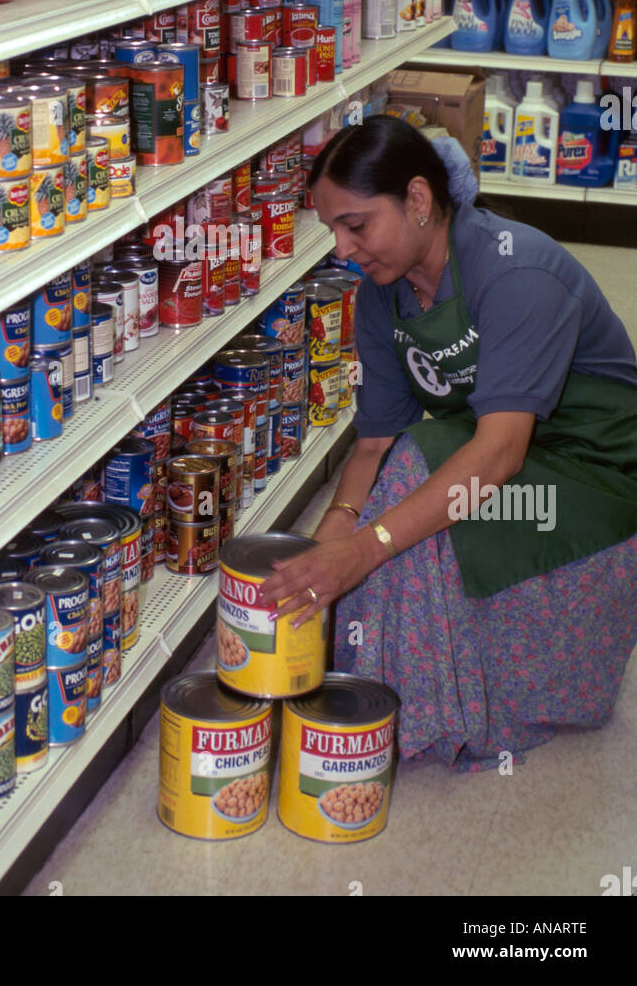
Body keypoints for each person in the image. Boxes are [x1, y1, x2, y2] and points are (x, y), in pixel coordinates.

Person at [261, 116, 637, 771]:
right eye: (331, 231)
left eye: (355, 225)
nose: (342, 249)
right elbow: (373, 441)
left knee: (411, 488)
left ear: (416, 199)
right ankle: (380, 689)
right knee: (396, 482)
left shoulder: (516, 273)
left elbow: (496, 456)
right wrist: (336, 528)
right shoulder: (382, 297)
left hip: (595, 473)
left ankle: (417, 710)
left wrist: (366, 548)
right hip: (505, 453)